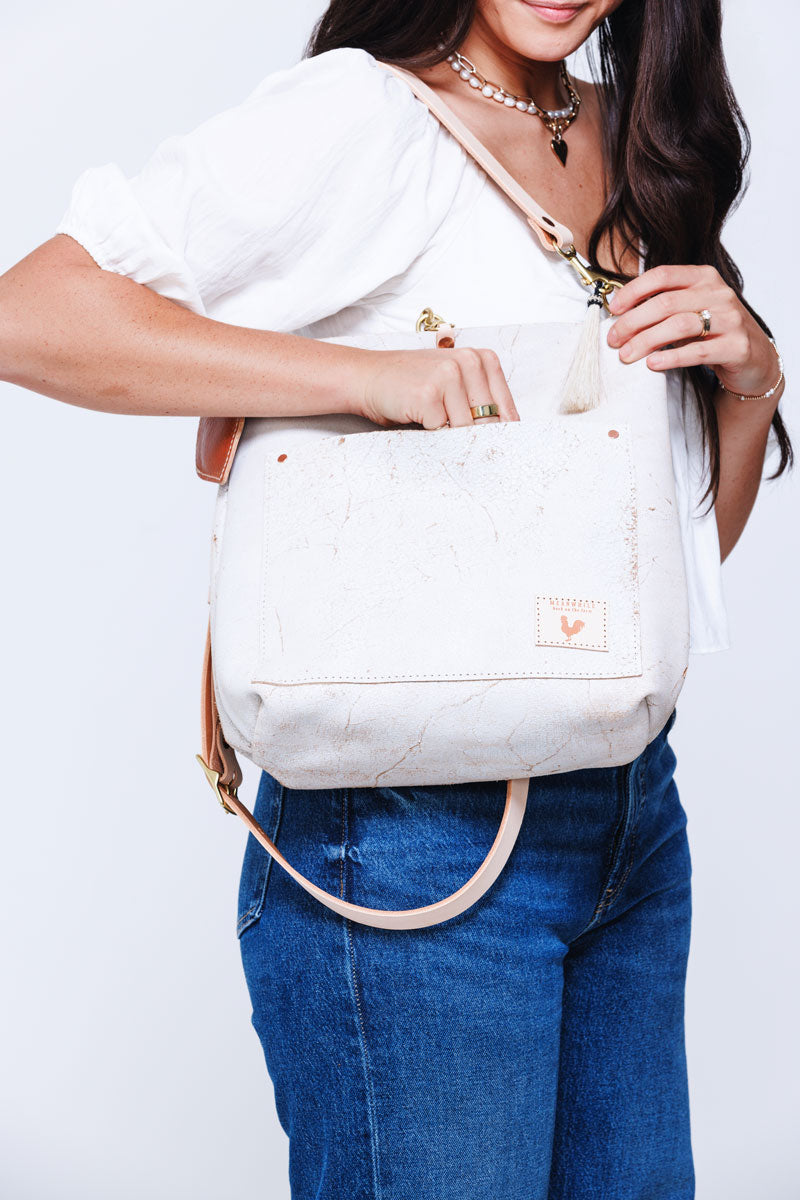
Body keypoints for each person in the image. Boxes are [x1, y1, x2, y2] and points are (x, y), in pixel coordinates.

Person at [0, 1, 791, 1197]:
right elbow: (31, 313)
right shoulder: (367, 118)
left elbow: (671, 577)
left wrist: (748, 385)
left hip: (629, 819)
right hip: (412, 841)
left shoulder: (635, 140)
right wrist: (363, 378)